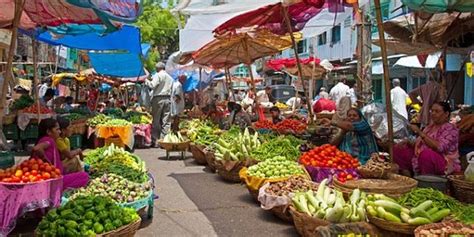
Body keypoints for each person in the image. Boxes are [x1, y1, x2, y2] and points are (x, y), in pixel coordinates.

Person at [393, 102, 460, 176]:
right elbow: (420, 144)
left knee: (426, 154)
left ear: (446, 114)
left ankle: (426, 181)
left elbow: (440, 147)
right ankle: (408, 177)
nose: (433, 113)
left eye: (437, 111)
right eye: (432, 111)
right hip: (420, 158)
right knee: (398, 149)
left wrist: (419, 132)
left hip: (443, 161)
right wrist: (408, 142)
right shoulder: (430, 127)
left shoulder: (450, 128)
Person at [32, 118, 89, 190]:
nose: (59, 132)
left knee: (76, 165)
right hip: (53, 181)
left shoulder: (49, 140)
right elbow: (36, 148)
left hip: (55, 176)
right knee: (84, 176)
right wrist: (46, 161)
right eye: (57, 129)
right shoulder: (48, 141)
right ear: (49, 131)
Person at [146, 62, 173, 145]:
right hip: (168, 99)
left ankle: (156, 141)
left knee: (156, 120)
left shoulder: (158, 75)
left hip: (158, 98)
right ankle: (164, 140)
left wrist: (146, 81)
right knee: (166, 121)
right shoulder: (170, 78)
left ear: (157, 69)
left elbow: (152, 85)